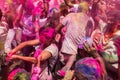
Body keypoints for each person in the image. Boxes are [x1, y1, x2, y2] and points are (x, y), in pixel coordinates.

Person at [55, 2, 91, 77]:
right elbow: (88, 37)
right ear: (87, 11)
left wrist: (57, 36)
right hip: (77, 53)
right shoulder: (89, 20)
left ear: (78, 9)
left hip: (64, 50)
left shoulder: (71, 15)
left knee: (57, 73)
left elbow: (57, 28)